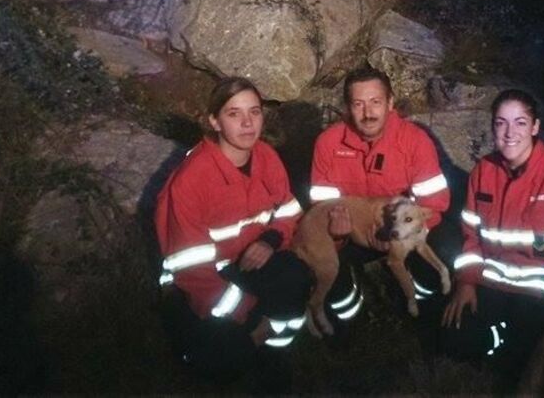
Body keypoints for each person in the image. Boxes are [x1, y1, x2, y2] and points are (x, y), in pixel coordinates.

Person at [441, 89, 544, 389]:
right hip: (492, 280)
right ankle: (497, 344)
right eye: (500, 123)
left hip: (541, 287)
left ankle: (509, 350)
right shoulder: (483, 171)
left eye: (520, 123)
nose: (509, 133)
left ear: (535, 127)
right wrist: (466, 282)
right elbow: (471, 236)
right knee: (454, 338)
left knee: (527, 361)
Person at [154, 77, 312, 384]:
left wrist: (269, 239)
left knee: (295, 277)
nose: (247, 123)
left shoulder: (266, 156)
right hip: (199, 280)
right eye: (234, 114)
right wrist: (250, 315)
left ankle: (274, 359)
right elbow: (192, 272)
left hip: (249, 261)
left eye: (254, 112)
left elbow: (289, 211)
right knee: (216, 359)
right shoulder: (192, 179)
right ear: (215, 121)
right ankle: (246, 344)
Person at [308, 67, 454, 324]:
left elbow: (434, 204)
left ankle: (419, 308)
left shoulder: (415, 141)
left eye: (376, 102)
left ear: (390, 102)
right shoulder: (328, 143)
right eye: (358, 104)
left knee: (445, 249)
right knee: (327, 272)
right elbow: (322, 205)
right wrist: (338, 232)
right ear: (348, 107)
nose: (368, 113)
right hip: (350, 234)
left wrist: (405, 236)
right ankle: (351, 319)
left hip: (401, 231)